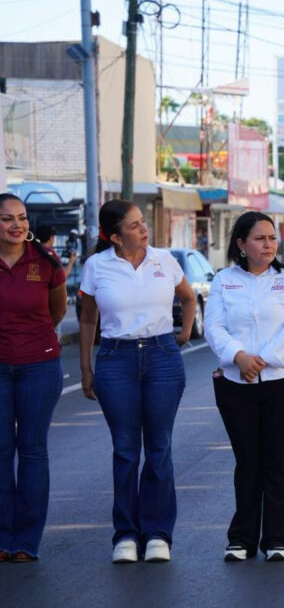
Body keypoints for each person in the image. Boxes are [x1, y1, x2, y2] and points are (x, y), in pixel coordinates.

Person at [78, 199, 196, 563]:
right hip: (116, 358)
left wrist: (183, 335)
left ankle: (158, 533)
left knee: (159, 447)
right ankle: (126, 534)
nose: (144, 229)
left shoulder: (164, 260)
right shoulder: (97, 266)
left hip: (162, 356)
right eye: (134, 225)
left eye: (143, 222)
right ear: (115, 236)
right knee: (126, 450)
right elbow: (86, 320)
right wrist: (86, 368)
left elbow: (188, 298)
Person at [205, 211, 284, 562]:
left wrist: (261, 359)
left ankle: (278, 540)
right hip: (236, 383)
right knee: (247, 462)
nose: (268, 245)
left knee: (278, 461)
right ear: (241, 244)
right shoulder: (224, 280)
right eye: (259, 238)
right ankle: (242, 539)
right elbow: (214, 327)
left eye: (271, 238)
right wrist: (239, 357)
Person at [0, 193, 66, 562]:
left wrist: (36, 341)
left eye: (21, 217)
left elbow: (57, 310)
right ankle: (2, 537)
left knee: (32, 450)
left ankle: (26, 540)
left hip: (39, 366)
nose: (16, 225)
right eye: (7, 218)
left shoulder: (44, 259)